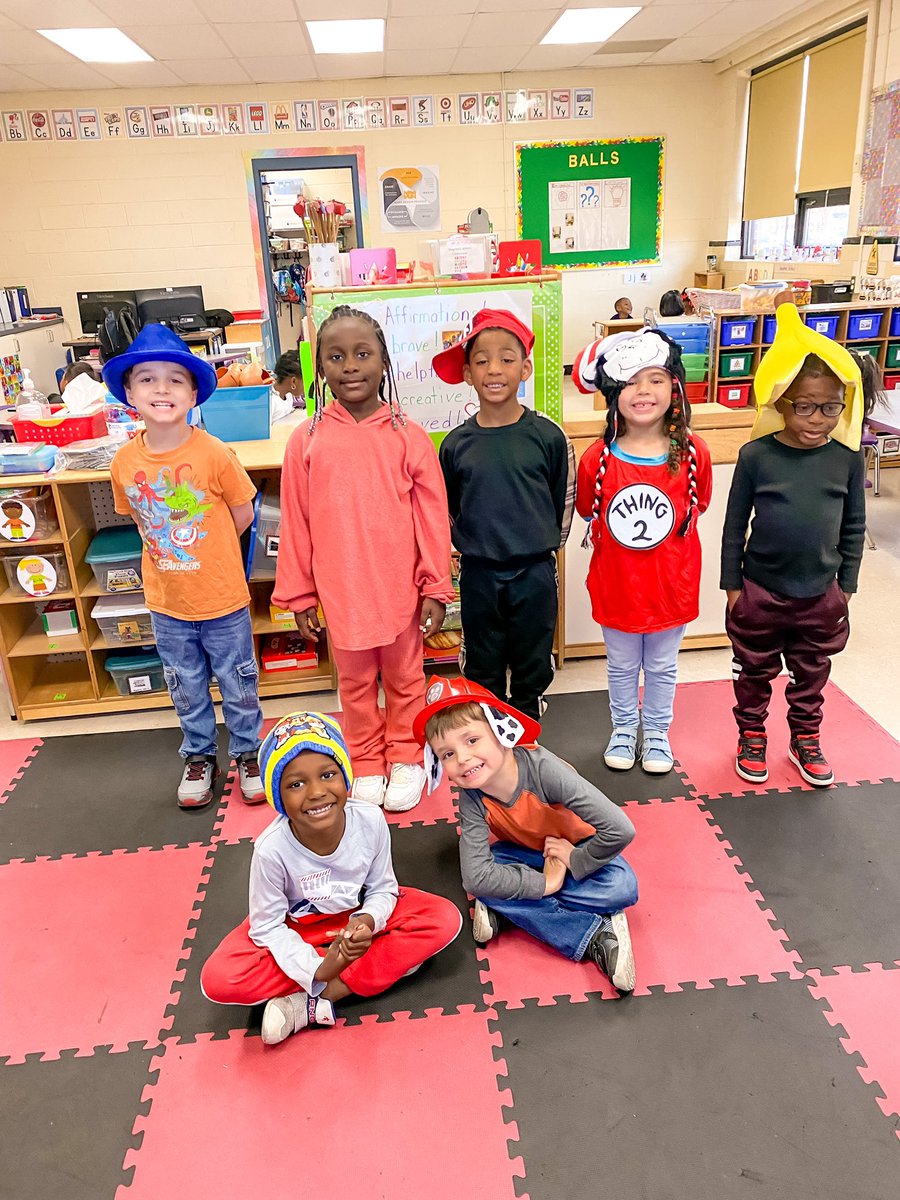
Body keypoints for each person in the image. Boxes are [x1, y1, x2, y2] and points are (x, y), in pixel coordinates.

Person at [274, 304, 454, 813]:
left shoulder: (407, 435)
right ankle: (367, 760)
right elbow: (296, 522)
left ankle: (406, 755)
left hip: (399, 589)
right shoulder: (306, 440)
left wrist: (435, 585)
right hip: (342, 591)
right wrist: (301, 595)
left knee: (405, 679)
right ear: (319, 367)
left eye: (362, 354)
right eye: (336, 357)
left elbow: (432, 518)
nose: (350, 366)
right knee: (354, 684)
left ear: (384, 362)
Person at [201, 711, 462, 1045]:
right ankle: (376, 969)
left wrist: (367, 920)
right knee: (220, 979)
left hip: (355, 921)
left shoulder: (370, 819)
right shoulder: (271, 849)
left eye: (327, 775)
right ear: (278, 796)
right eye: (295, 784)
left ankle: (311, 1001)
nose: (316, 792)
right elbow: (266, 927)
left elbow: (383, 888)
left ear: (345, 777)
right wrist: (316, 967)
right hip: (298, 927)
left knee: (443, 918)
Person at [106, 323, 264, 809]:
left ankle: (248, 752)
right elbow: (140, 518)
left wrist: (206, 549)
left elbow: (243, 513)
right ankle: (199, 754)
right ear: (129, 393)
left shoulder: (214, 453)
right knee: (185, 685)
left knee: (238, 681)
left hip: (223, 598)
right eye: (147, 379)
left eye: (175, 379)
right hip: (167, 604)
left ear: (193, 394)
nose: (162, 389)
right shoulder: (123, 462)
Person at [720, 295, 876, 787]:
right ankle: (752, 735)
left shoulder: (846, 459)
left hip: (820, 592)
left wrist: (846, 586)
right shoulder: (756, 456)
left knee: (812, 673)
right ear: (781, 403)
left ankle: (805, 737)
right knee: (754, 671)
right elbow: (734, 524)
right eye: (805, 406)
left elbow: (853, 526)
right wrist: (733, 587)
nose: (817, 419)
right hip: (760, 589)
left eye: (830, 408)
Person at [415, 676, 638, 994]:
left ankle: (510, 910)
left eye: (472, 740)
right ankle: (594, 934)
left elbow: (620, 829)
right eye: (447, 754)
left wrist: (575, 860)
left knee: (621, 887)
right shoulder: (471, 796)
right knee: (482, 878)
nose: (462, 758)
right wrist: (547, 883)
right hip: (525, 853)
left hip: (578, 846)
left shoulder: (543, 769)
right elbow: (476, 878)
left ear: (500, 731)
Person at [573, 328, 712, 774]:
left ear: (675, 387)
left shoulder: (693, 453)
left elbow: (699, 504)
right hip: (617, 587)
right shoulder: (597, 458)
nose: (643, 391)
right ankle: (623, 728)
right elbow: (586, 509)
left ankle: (655, 732)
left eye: (655, 379)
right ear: (614, 394)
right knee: (620, 665)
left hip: (671, 586)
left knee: (663, 666)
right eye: (630, 381)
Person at [434, 308, 574, 721]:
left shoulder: (548, 436)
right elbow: (450, 507)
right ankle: (489, 723)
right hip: (479, 572)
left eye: (507, 359)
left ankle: (528, 715)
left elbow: (562, 500)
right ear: (467, 373)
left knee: (533, 655)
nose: (494, 369)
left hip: (535, 570)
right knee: (483, 657)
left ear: (525, 368)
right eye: (482, 361)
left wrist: (544, 548)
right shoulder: (456, 445)